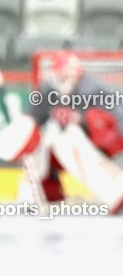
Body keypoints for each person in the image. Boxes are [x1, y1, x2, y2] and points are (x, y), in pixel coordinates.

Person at [23, 50, 123, 204]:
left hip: (98, 145)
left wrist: (85, 122)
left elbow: (118, 117)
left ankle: (113, 193)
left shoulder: (94, 89)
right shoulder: (48, 90)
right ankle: (37, 195)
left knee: (70, 136)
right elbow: (31, 121)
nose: (62, 80)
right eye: (59, 76)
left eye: (66, 76)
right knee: (39, 144)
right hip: (65, 149)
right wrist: (21, 135)